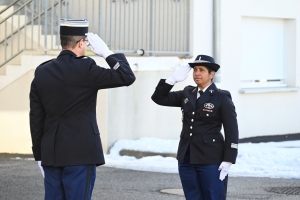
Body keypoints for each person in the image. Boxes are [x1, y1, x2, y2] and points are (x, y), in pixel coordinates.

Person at [29, 18, 135, 200]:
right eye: (85, 42)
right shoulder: (86, 69)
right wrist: (107, 53)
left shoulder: (42, 71)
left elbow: (36, 117)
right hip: (81, 153)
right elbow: (126, 76)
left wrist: (39, 154)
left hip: (51, 153)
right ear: (80, 42)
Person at [151, 55, 239, 200]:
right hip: (187, 159)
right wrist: (171, 80)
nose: (197, 73)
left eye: (202, 70)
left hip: (210, 160)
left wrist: (229, 159)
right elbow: (158, 98)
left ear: (212, 74)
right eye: (195, 70)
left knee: (212, 197)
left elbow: (232, 130)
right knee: (192, 197)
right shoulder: (187, 93)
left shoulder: (221, 98)